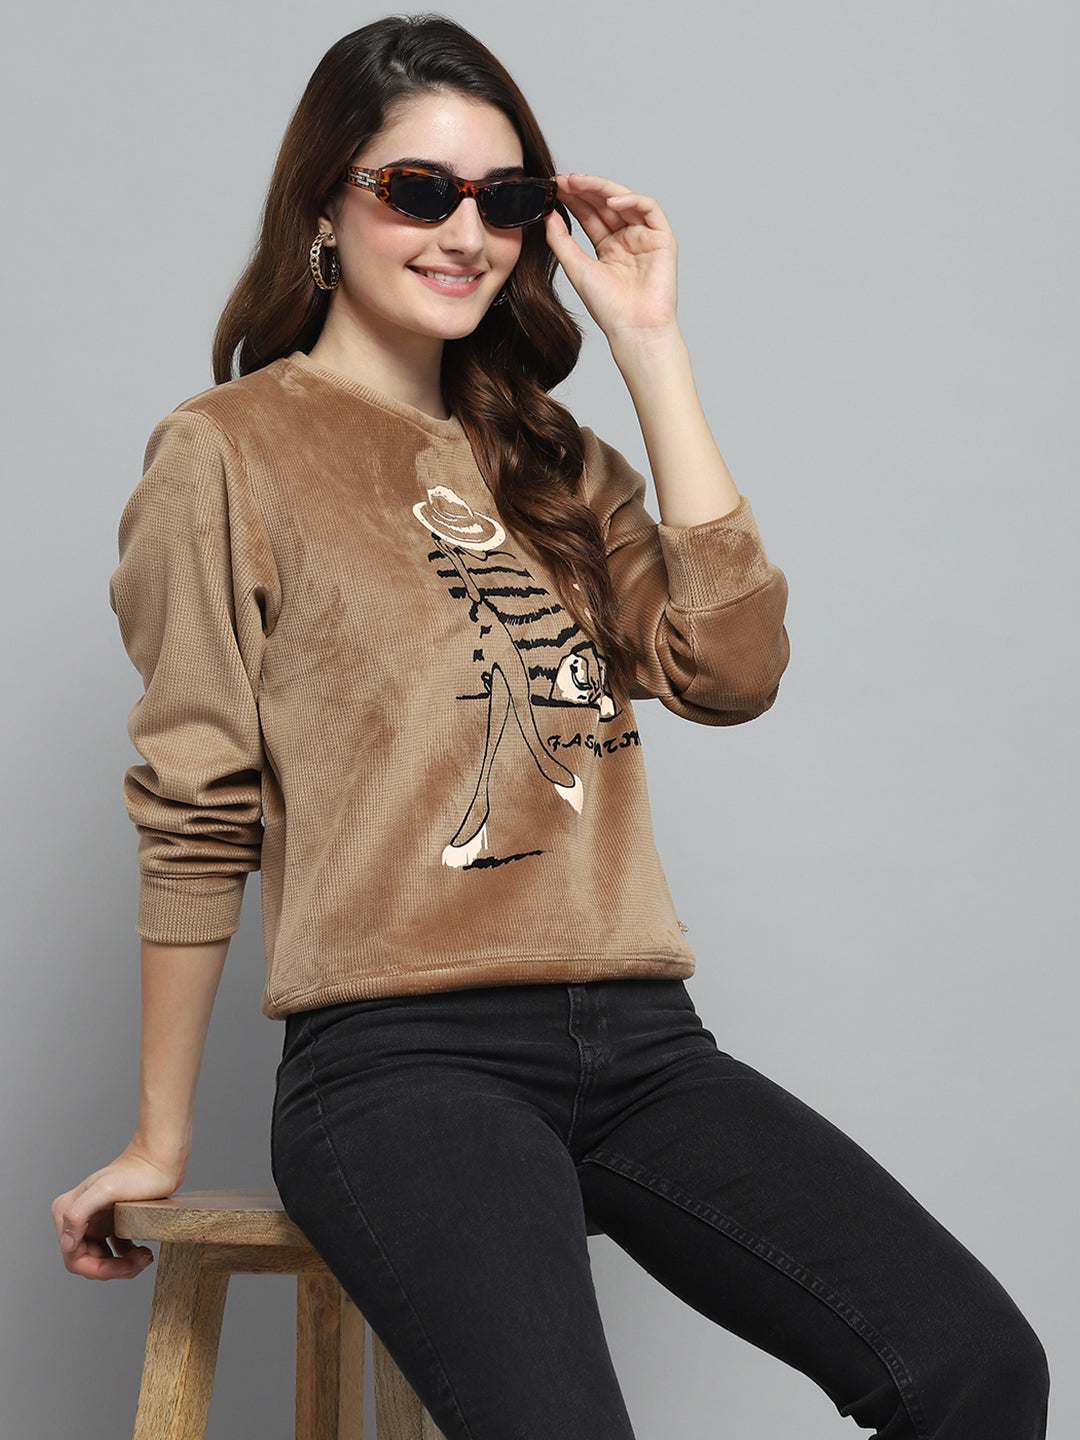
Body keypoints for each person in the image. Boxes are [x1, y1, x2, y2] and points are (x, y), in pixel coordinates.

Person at [51, 15, 1049, 1439]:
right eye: (420, 191)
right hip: (401, 1061)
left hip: (643, 1044)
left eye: (505, 198)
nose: (468, 234)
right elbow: (195, 804)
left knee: (974, 1362)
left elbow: (732, 670)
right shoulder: (230, 450)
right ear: (325, 208)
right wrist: (159, 1138)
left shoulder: (554, 460)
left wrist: (652, 349)